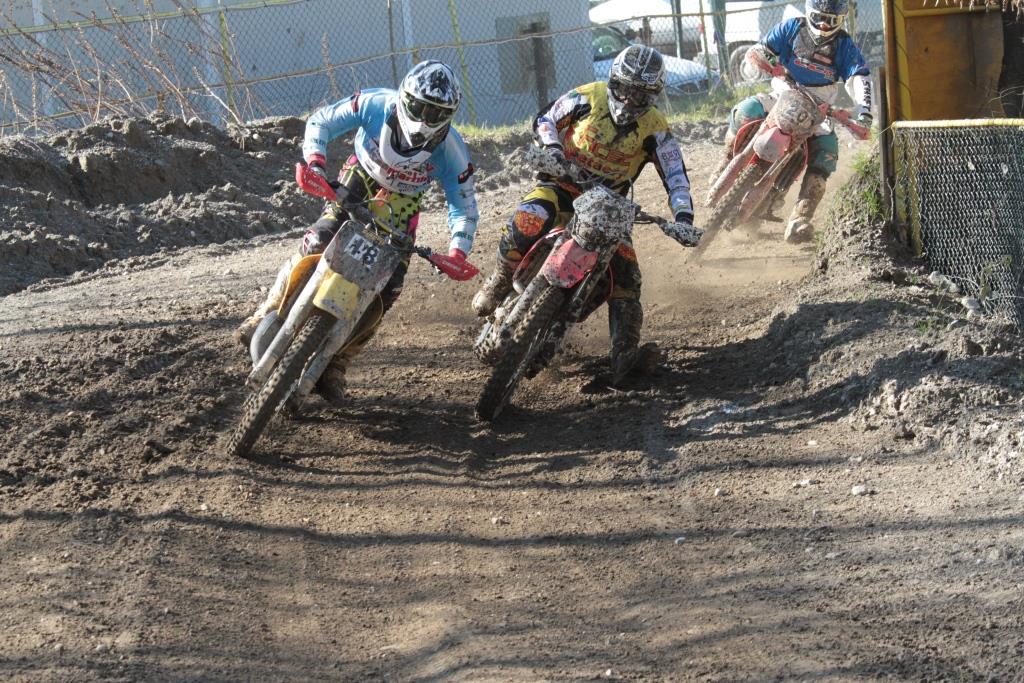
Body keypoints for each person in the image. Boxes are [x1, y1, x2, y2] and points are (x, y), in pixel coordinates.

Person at [234, 60, 479, 405]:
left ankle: (339, 361)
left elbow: (464, 204)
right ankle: (266, 310)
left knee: (390, 286)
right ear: (404, 98)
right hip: (359, 178)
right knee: (318, 240)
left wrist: (457, 252)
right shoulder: (374, 103)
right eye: (419, 107)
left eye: (436, 113)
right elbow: (321, 121)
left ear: (449, 115)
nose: (425, 120)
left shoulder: (452, 150)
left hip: (403, 204)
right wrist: (315, 163)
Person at [471, 45, 701, 385]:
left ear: (653, 96)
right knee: (529, 218)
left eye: (640, 94)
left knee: (628, 280)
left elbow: (676, 176)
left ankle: (624, 356)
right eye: (624, 89)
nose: (629, 100)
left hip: (610, 208)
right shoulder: (588, 96)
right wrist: (552, 149)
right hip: (563, 185)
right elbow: (546, 118)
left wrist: (683, 219)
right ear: (612, 82)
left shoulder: (656, 128)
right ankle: (500, 280)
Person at [712, 0, 873, 243]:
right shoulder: (792, 28)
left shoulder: (844, 45)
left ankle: (800, 217)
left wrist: (864, 113)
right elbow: (761, 49)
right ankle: (725, 162)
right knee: (746, 110)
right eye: (819, 18)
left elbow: (859, 77)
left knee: (827, 150)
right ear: (809, 12)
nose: (823, 25)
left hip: (819, 107)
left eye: (830, 20)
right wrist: (763, 60)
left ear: (840, 21)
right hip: (782, 92)